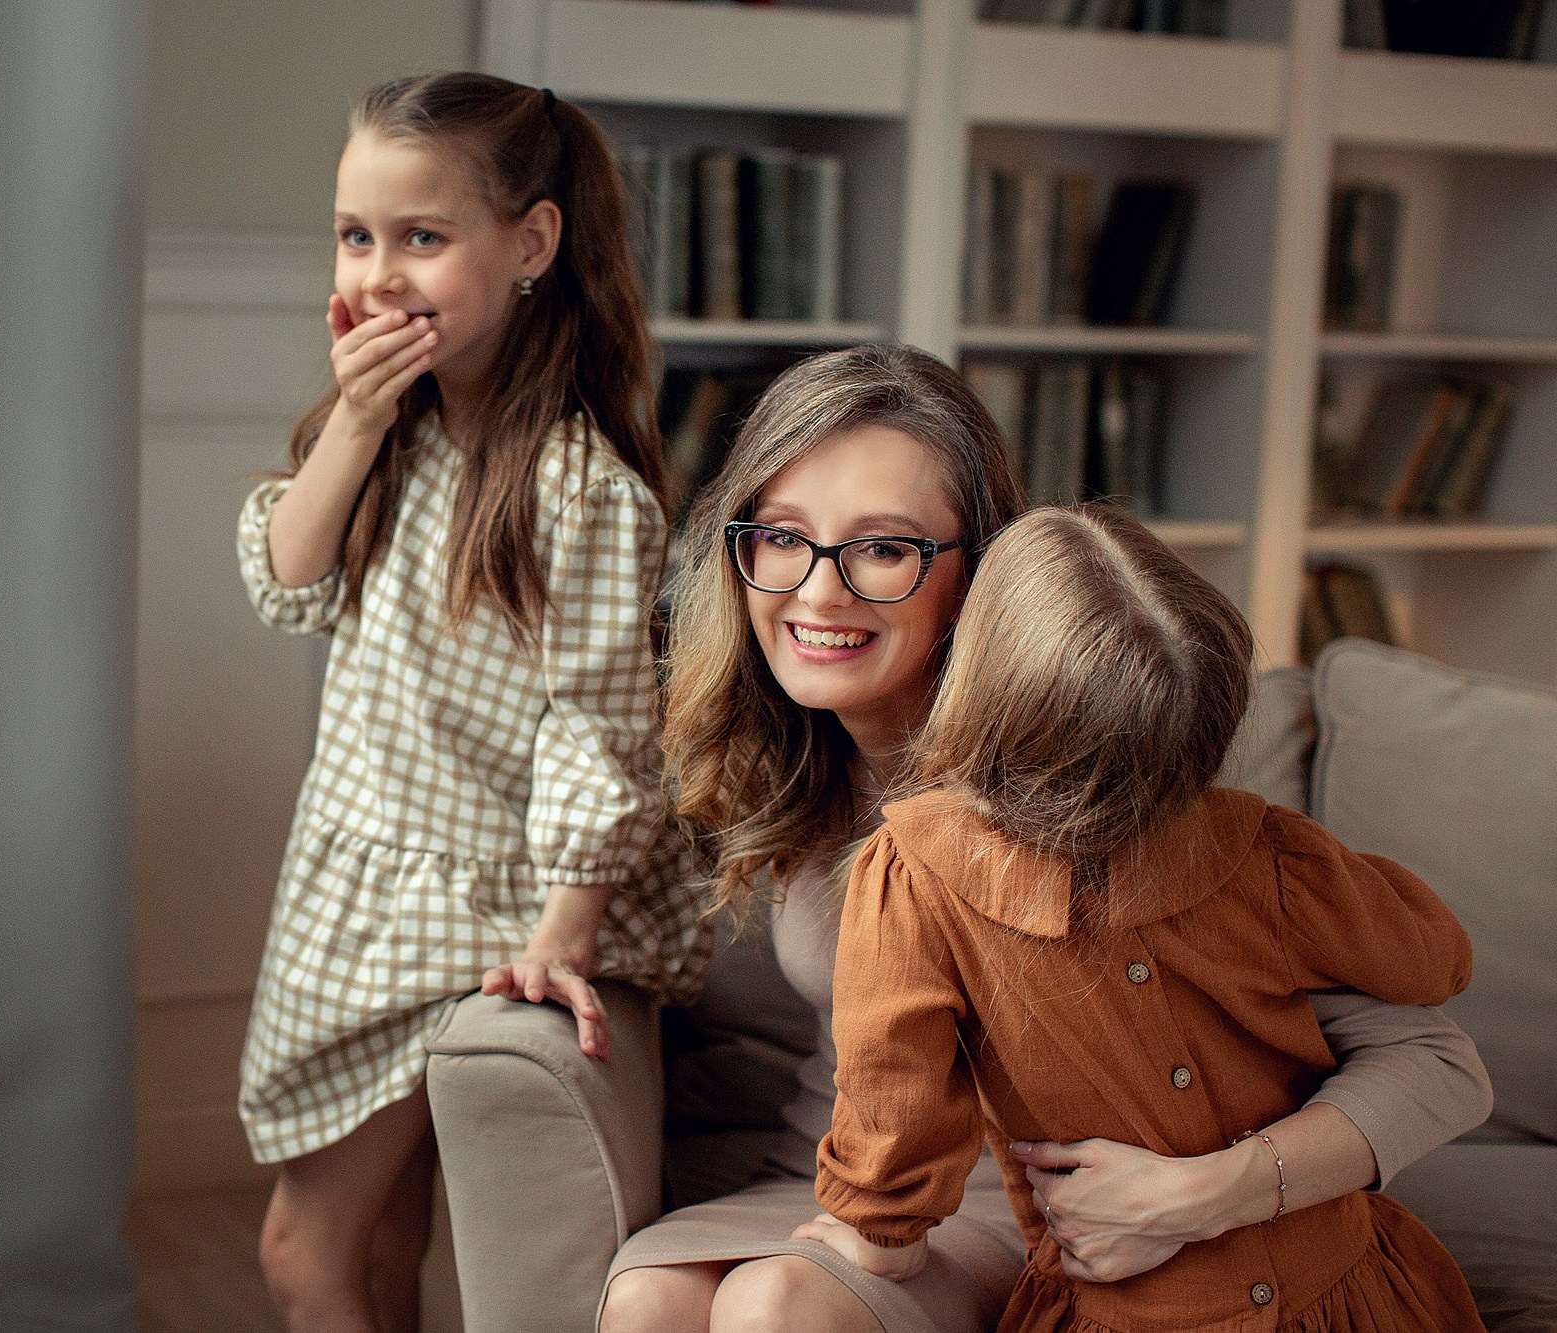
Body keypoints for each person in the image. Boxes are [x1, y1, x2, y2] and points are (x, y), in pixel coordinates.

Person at [600, 345, 1492, 1333]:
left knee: (770, 1306)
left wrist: (1204, 1192)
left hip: (1022, 1197)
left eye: (882, 549)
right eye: (779, 535)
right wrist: (556, 942)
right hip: (829, 1167)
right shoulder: (788, 744)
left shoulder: (1083, 780)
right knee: (649, 1302)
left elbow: (1427, 1054)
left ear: (982, 573)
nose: (815, 590)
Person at [235, 72, 707, 1333]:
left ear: (533, 243)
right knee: (382, 1244)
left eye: (422, 238)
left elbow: (599, 729)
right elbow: (284, 582)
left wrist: (561, 932)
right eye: (356, 236)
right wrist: (353, 415)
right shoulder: (385, 431)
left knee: (303, 1250)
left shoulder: (580, 491)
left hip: (468, 900)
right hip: (350, 875)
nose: (381, 273)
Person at [805, 502, 1483, 1329]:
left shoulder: (914, 874)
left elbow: (894, 1131)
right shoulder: (1267, 852)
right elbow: (1433, 953)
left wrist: (880, 1237)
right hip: (1334, 1296)